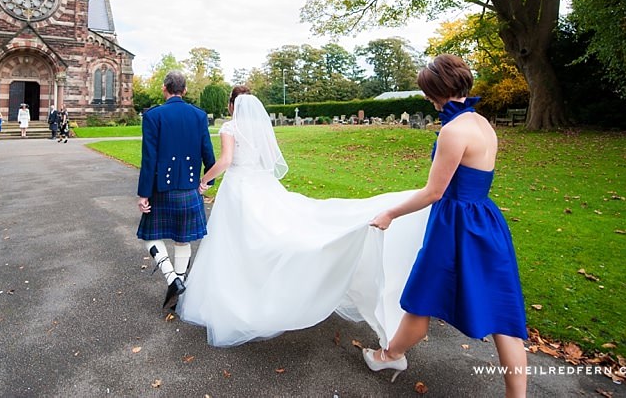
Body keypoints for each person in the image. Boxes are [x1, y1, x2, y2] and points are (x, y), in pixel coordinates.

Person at [176, 87, 430, 348]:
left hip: (238, 188)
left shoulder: (230, 127)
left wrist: (205, 180)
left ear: (232, 105)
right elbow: (271, 160)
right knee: (262, 234)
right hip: (260, 184)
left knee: (235, 241)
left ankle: (241, 292)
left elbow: (226, 160)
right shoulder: (259, 127)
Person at [365, 54, 527, 397]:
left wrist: (390, 213)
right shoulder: (482, 123)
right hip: (487, 221)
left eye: (428, 92)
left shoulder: (453, 131)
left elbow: (434, 192)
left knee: (422, 297)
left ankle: (390, 356)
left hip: (456, 226)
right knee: (504, 316)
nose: (427, 98)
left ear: (436, 91)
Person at [136, 70, 216, 311]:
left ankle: (173, 280)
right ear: (185, 90)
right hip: (190, 189)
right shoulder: (199, 115)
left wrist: (144, 194)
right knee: (183, 240)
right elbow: (208, 152)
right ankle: (178, 288)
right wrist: (207, 182)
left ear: (164, 88)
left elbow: (149, 158)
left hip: (162, 189)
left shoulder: (153, 116)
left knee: (149, 236)